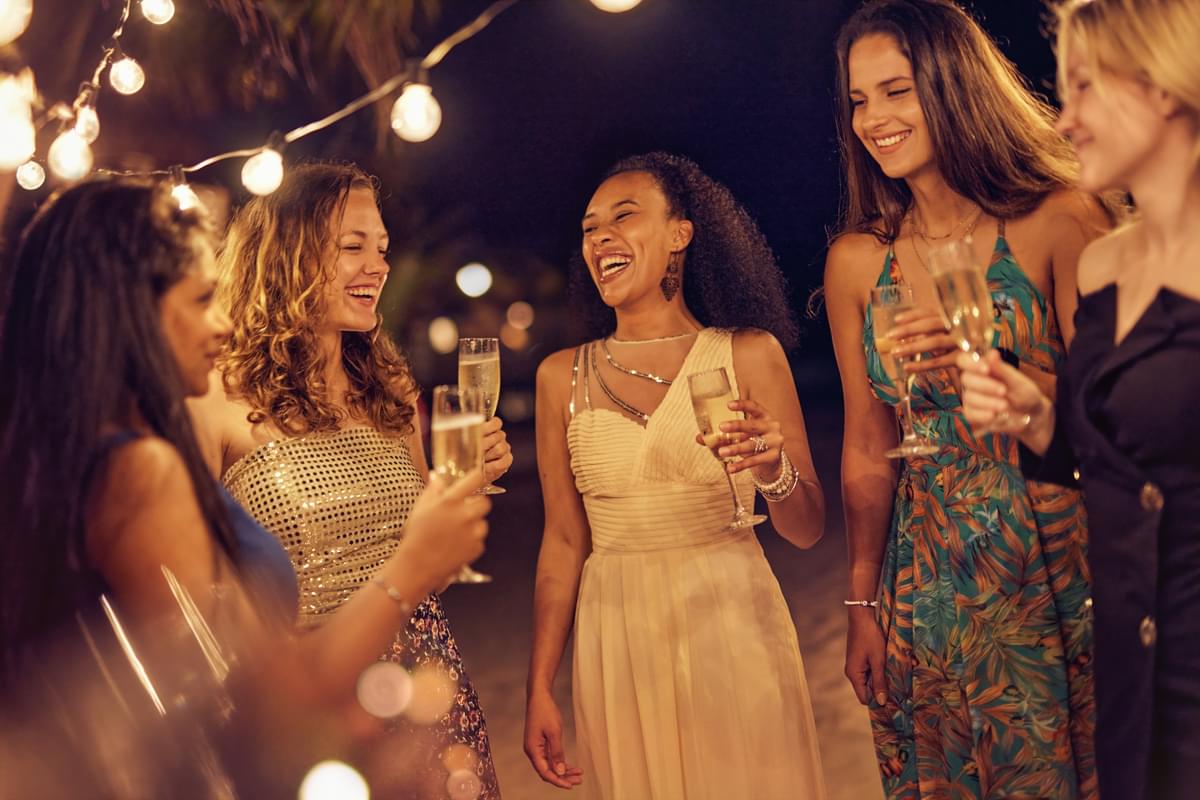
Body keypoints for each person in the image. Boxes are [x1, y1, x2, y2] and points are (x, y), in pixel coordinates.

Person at [0, 176, 490, 795]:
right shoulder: (142, 473)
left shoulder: (61, 459)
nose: (224, 322)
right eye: (203, 297)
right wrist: (411, 569)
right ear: (132, 309)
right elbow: (262, 695)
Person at [823, 1, 1113, 796]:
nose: (873, 119)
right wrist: (861, 598)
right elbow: (864, 448)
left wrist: (995, 368)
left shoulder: (1059, 221)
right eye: (858, 100)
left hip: (1050, 558)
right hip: (927, 578)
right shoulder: (857, 264)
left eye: (897, 91)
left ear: (954, 86)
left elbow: (1114, 414)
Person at [189, 161, 510, 798]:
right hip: (311, 699)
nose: (378, 266)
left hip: (429, 685)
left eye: (382, 249)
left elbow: (429, 567)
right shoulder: (213, 396)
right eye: (352, 247)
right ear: (286, 255)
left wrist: (465, 492)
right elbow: (192, 597)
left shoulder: (390, 390)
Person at [524, 151, 826, 799]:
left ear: (681, 234)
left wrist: (773, 471)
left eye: (623, 217)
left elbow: (806, 529)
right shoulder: (559, 377)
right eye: (588, 228)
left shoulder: (748, 353)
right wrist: (539, 686)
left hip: (731, 622)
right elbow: (562, 544)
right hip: (618, 639)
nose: (599, 237)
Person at [958, 1, 1200, 797]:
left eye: (1085, 89)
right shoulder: (1102, 268)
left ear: (1164, 88)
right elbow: (1118, 458)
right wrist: (1036, 415)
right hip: (1134, 673)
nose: (1065, 123)